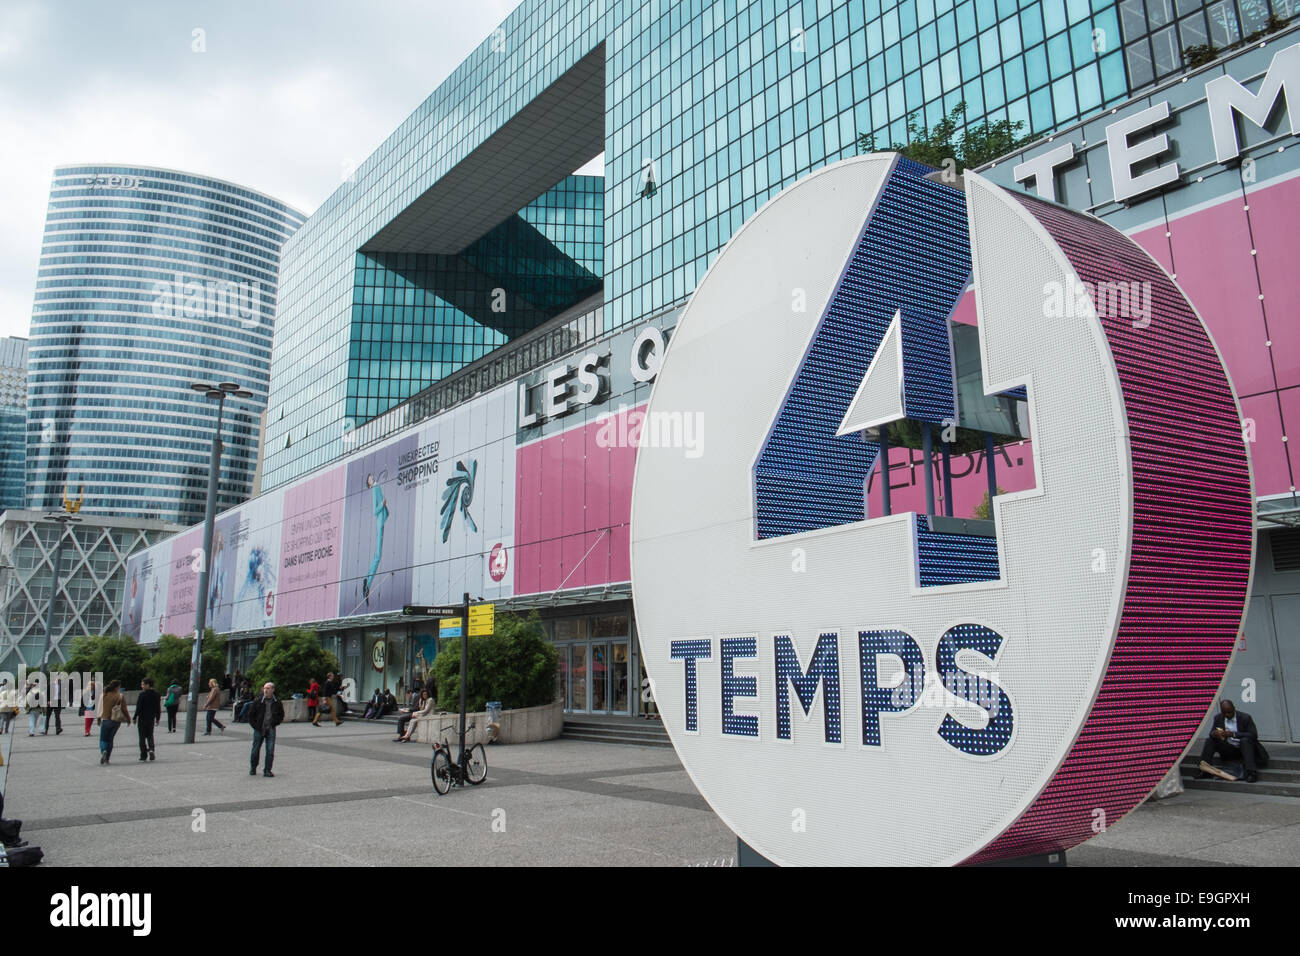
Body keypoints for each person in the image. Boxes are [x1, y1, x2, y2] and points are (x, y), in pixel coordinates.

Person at [1196, 699, 1261, 783]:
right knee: (1210, 741)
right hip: (1227, 747)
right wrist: (1215, 733)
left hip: (1243, 748)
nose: (1228, 715)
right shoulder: (1218, 718)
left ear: (1234, 708)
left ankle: (1251, 773)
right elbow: (1211, 733)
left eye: (1230, 712)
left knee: (1245, 740)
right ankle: (1205, 770)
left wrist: (1233, 734)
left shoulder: (1245, 717)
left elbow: (1253, 735)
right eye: (1225, 713)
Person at [247, 681, 284, 777]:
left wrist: (275, 723)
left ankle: (267, 770)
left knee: (270, 750)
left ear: (273, 690)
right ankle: (253, 767)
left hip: (270, 728)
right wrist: (255, 726)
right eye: (265, 688)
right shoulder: (258, 700)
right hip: (259, 728)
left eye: (268, 688)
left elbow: (281, 715)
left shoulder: (277, 702)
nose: (266, 690)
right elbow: (251, 715)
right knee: (255, 749)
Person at [97, 679, 130, 765]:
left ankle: (104, 751)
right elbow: (124, 709)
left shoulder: (104, 695)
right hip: (116, 721)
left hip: (106, 719)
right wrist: (128, 719)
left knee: (103, 739)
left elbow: (99, 706)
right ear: (117, 687)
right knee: (110, 740)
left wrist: (98, 718)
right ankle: (107, 758)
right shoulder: (120, 696)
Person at [134, 677, 161, 761]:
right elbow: (158, 707)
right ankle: (151, 749)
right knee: (150, 735)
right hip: (151, 718)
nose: (141, 686)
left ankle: (143, 755)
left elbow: (138, 707)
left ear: (148, 685)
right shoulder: (156, 694)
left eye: (143, 684)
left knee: (142, 737)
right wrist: (157, 718)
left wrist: (135, 717)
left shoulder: (142, 694)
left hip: (142, 718)